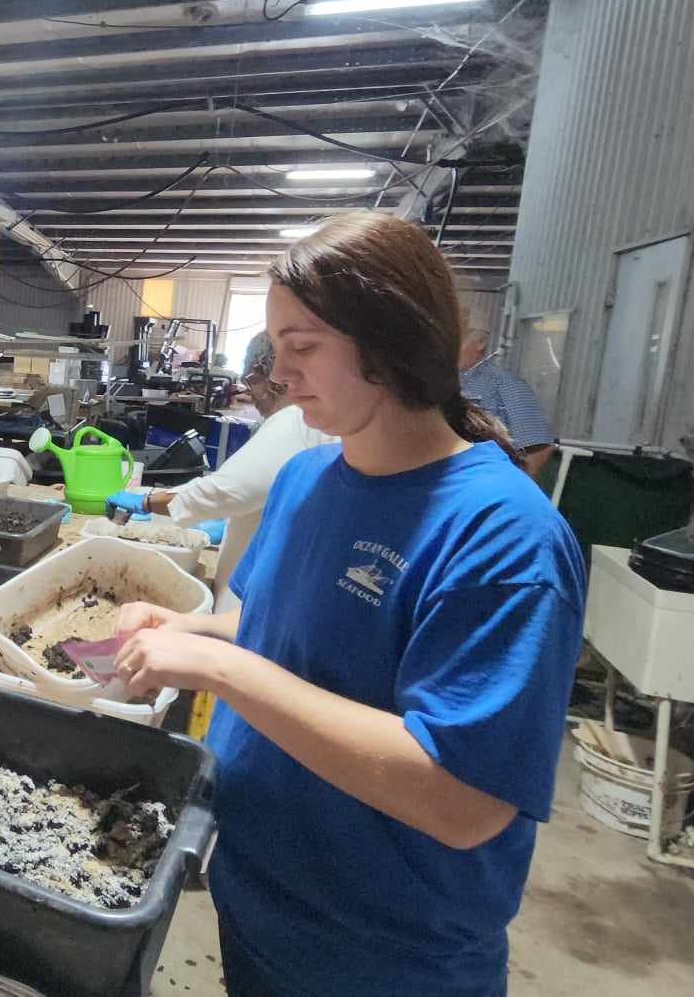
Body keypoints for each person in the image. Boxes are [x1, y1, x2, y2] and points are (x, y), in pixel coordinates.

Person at [108, 212, 584, 997]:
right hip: (259, 898)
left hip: (386, 954)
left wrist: (220, 671)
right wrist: (193, 627)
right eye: (275, 348)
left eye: (303, 348)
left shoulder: (505, 538)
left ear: (393, 342)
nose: (279, 373)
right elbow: (277, 634)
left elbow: (462, 801)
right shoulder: (307, 480)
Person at [104, 333, 335, 612]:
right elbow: (261, 493)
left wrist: (145, 500)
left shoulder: (294, 418)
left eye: (251, 381)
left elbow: (226, 490)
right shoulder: (318, 419)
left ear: (270, 373)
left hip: (249, 603)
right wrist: (229, 521)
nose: (250, 394)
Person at [460, 322, 556, 479]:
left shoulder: (504, 383)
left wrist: (511, 487)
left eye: (458, 339)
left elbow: (538, 447)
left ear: (480, 342)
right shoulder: (447, 382)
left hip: (483, 479)